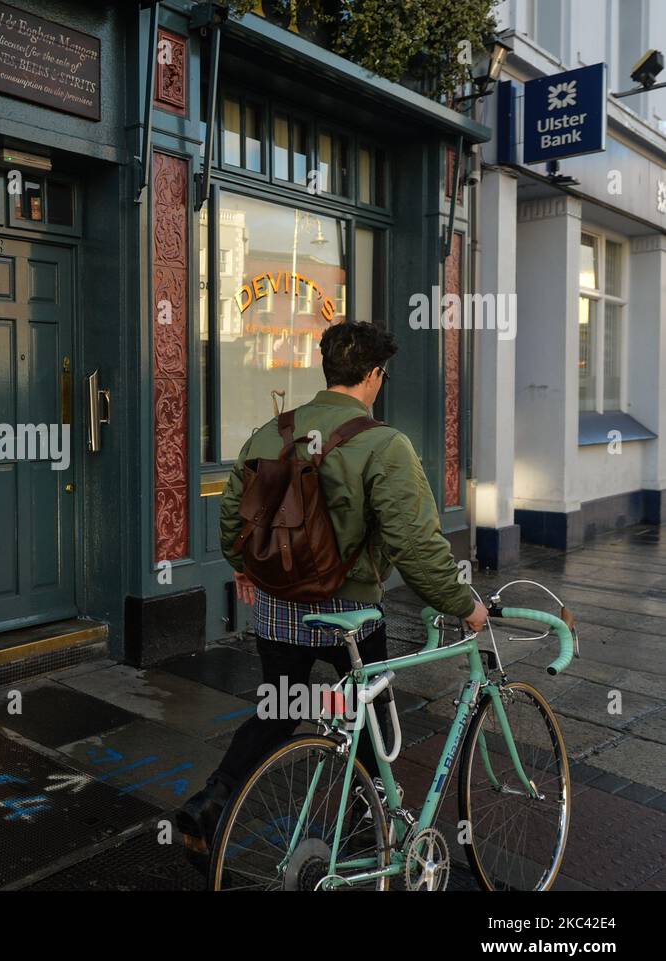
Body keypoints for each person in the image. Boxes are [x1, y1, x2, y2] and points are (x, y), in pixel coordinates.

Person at [176, 319, 488, 860]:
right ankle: (363, 829)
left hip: (279, 611)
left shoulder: (271, 432)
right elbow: (415, 544)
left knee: (277, 711)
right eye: (381, 374)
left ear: (327, 370)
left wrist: (247, 568)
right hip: (351, 614)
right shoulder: (384, 444)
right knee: (372, 718)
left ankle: (212, 801)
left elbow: (234, 516)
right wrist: (462, 603)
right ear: (373, 374)